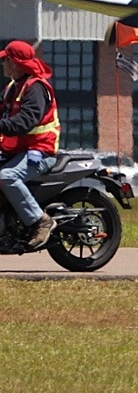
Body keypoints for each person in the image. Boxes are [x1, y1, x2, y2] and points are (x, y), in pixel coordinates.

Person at [0, 40, 60, 249]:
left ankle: (40, 220)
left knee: (7, 176)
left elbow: (25, 121)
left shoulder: (35, 88)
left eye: (5, 60)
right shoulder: (13, 86)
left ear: (15, 63)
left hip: (40, 151)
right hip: (17, 149)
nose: (2, 64)